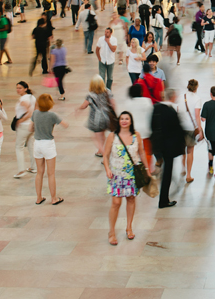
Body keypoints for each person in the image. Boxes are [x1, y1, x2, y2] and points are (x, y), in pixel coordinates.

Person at [103, 111, 150, 245]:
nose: (124, 121)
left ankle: (129, 227)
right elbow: (105, 155)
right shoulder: (113, 136)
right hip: (116, 175)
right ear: (119, 121)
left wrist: (147, 169)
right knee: (116, 203)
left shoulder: (136, 135)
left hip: (131, 175)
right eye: (122, 119)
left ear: (130, 121)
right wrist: (107, 169)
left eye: (126, 119)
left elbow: (141, 152)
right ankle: (111, 232)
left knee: (130, 199)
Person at [151, 88, 186, 207]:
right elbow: (177, 130)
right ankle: (163, 200)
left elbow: (152, 126)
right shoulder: (171, 111)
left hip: (157, 145)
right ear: (172, 97)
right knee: (167, 173)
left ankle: (164, 199)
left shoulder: (156, 108)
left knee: (166, 171)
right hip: (168, 148)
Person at [32, 94, 69, 205]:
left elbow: (31, 127)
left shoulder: (35, 114)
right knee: (51, 173)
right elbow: (65, 125)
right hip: (48, 144)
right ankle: (54, 198)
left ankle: (39, 197)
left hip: (37, 143)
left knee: (39, 172)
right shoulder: (52, 115)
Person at [78, 75, 116, 158]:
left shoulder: (90, 95)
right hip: (107, 118)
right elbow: (113, 104)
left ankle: (104, 154)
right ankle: (101, 150)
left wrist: (78, 109)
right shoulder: (108, 91)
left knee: (96, 138)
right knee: (102, 135)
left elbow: (84, 105)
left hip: (96, 119)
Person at [179, 79, 204, 183]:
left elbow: (177, 110)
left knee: (182, 149)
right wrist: (200, 129)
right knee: (190, 151)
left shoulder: (182, 96)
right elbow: (197, 115)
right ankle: (189, 174)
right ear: (196, 87)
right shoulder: (197, 98)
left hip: (181, 126)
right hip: (190, 127)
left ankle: (183, 168)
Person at [13, 81, 36, 178]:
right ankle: (34, 167)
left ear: (25, 88)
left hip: (24, 126)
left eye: (20, 88)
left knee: (19, 147)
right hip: (32, 125)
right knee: (31, 146)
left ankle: (21, 170)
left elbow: (30, 112)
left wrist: (20, 120)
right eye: (17, 88)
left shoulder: (23, 99)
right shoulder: (32, 97)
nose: (18, 90)